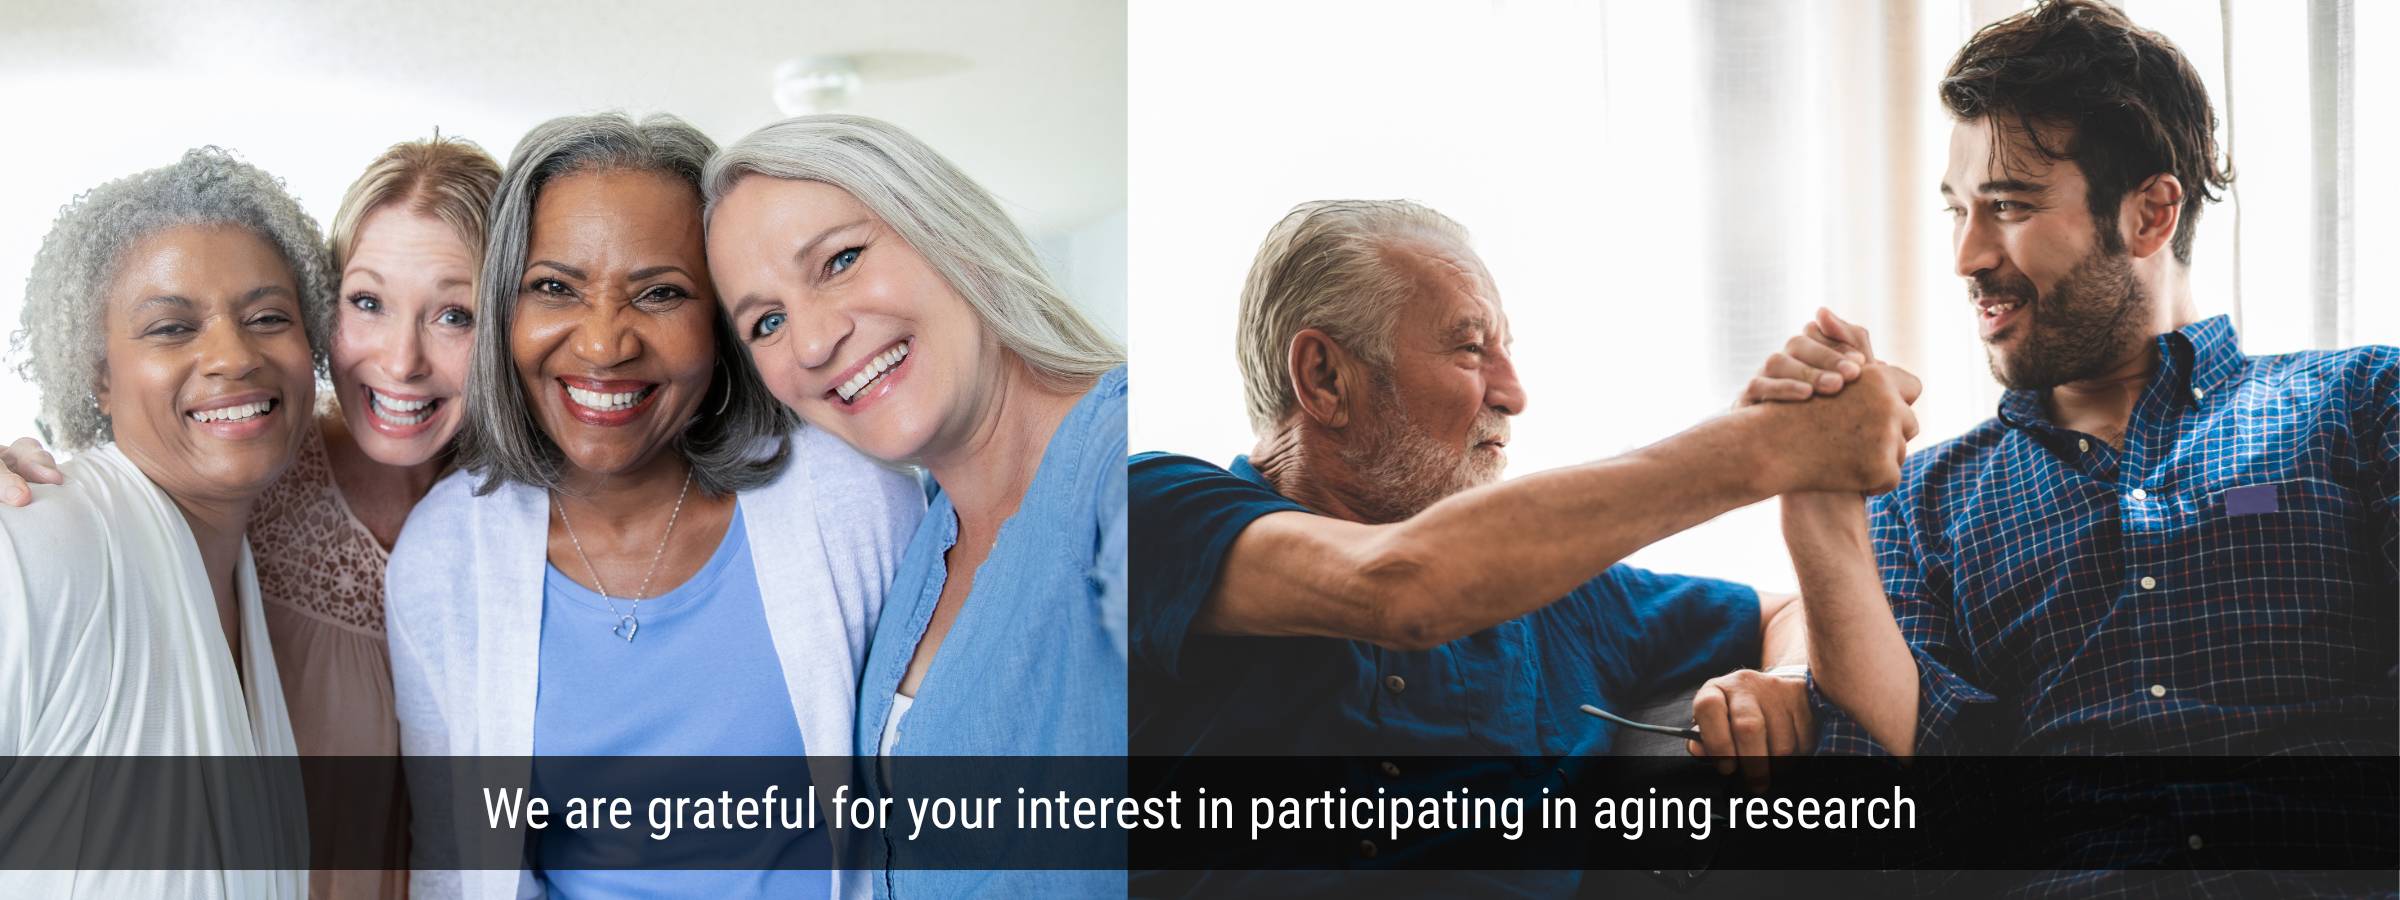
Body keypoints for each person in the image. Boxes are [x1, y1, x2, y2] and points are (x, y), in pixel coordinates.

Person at [1766, 0, 2395, 891]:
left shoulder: (2365, 405)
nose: (1967, 256)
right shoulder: (1919, 506)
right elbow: (1913, 816)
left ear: (2149, 216)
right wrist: (1815, 505)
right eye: (1958, 211)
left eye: (2009, 206)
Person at [1128, 198, 1922, 896]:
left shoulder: (1565, 599)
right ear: (1326, 377)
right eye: (1471, 349)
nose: (1513, 392)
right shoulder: (1155, 510)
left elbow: (1781, 612)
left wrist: (1781, 678)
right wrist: (1766, 447)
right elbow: (1398, 587)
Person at [384, 113, 922, 900]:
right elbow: (453, 862)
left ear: (720, 321)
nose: (605, 345)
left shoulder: (850, 499)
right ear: (506, 310)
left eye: (661, 293)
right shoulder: (444, 558)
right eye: (555, 288)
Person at [0, 136, 503, 899]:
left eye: (456, 315)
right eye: (367, 302)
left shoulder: (531, 516)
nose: (402, 361)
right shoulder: (63, 534)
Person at [701, 114, 1126, 897]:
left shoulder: (1121, 470)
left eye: (841, 260)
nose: (813, 342)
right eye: (767, 322)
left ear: (946, 230)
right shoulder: (923, 534)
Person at [0, 147, 323, 898]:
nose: (233, 357)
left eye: (269, 317)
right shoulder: (38, 545)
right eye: (172, 328)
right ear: (99, 377)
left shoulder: (246, 572)